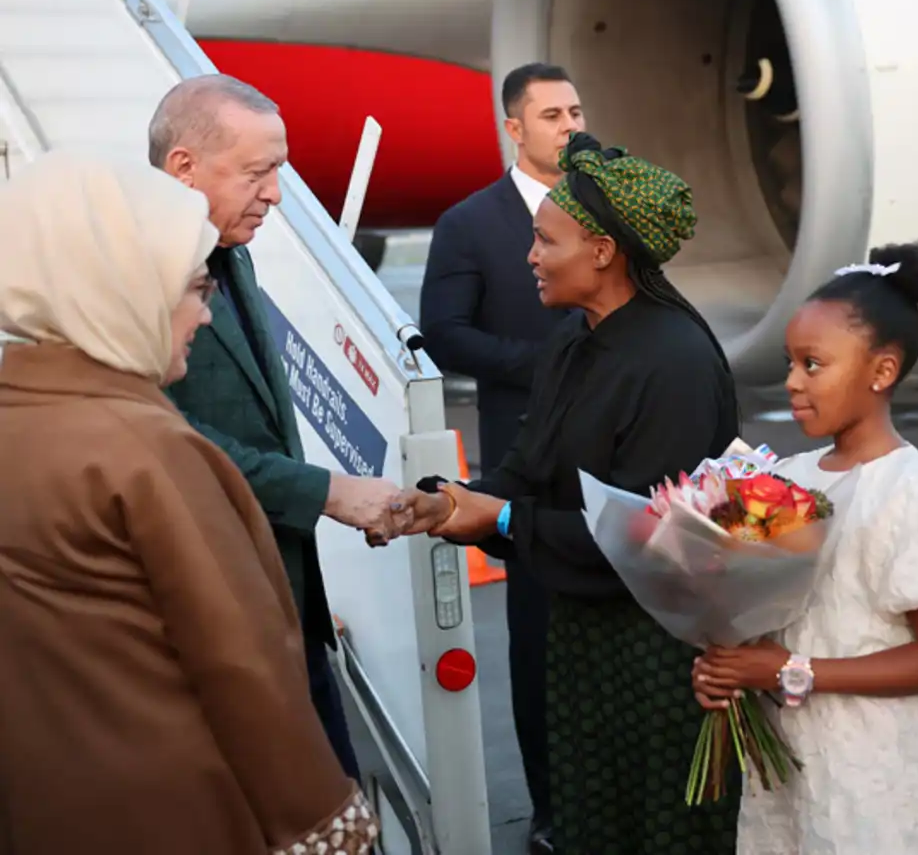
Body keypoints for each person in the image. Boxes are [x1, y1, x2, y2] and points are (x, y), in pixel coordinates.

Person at [0, 152, 378, 854]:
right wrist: (329, 827)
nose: (204, 316)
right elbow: (242, 666)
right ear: (123, 290)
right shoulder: (147, 448)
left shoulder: (21, 413)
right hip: (175, 810)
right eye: (195, 289)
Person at [383, 132, 742, 854]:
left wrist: (504, 519)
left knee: (660, 830)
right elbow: (530, 469)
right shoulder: (574, 340)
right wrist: (452, 502)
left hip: (662, 657)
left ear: (602, 251)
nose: (530, 256)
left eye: (546, 241)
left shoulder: (673, 362)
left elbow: (650, 539)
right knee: (591, 821)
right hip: (583, 643)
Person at [691, 243, 918, 854]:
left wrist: (787, 670)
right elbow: (763, 617)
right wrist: (727, 667)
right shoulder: (785, 479)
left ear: (881, 371)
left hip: (880, 770)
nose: (792, 381)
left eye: (813, 364)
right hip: (791, 761)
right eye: (790, 362)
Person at [149, 74, 403, 779]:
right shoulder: (140, 275)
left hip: (281, 601)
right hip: (215, 618)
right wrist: (327, 492)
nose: (276, 194)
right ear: (183, 167)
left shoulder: (231, 253)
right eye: (257, 173)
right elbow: (164, 435)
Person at [419, 62, 585, 851]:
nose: (571, 126)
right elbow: (445, 332)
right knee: (541, 638)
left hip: (615, 445)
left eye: (576, 111)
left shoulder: (605, 205)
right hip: (526, 448)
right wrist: (544, 364)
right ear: (513, 128)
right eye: (552, 115)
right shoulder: (470, 223)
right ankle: (552, 810)